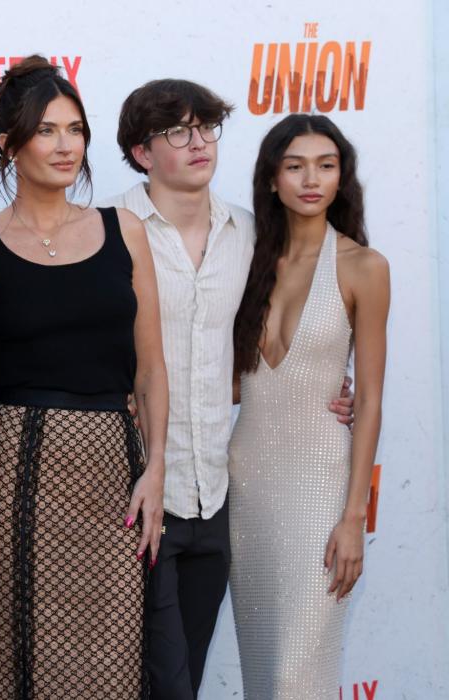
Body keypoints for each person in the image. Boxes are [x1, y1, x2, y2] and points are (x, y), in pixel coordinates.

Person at [108, 79, 354, 700]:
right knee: (131, 675)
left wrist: (317, 386)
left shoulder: (250, 236)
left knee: (184, 671)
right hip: (129, 489)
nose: (199, 144)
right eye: (177, 132)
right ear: (142, 153)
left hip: (217, 494)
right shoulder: (106, 230)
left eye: (207, 128)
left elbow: (266, 339)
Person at [0, 56, 168, 699]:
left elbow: (152, 367)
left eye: (74, 129)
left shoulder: (124, 230)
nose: (64, 145)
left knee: (109, 655)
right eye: (46, 130)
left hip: (113, 471)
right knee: (13, 653)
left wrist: (156, 468)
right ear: (7, 143)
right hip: (17, 474)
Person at [228, 114, 388, 698]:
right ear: (272, 179)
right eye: (294, 166)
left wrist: (353, 518)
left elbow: (369, 399)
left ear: (342, 177)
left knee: (303, 672)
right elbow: (237, 384)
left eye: (326, 165)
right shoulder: (248, 264)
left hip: (321, 487)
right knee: (264, 673)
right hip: (245, 487)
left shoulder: (364, 268)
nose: (311, 179)